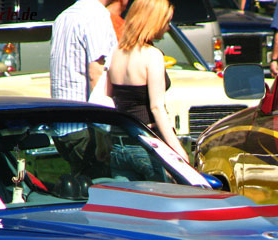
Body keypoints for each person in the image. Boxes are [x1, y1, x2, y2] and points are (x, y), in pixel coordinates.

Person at [106, 0, 188, 160]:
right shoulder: (152, 55)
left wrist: (103, 142)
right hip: (147, 143)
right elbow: (157, 108)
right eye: (166, 22)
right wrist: (177, 150)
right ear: (153, 21)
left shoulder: (115, 52)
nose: (168, 27)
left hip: (118, 144)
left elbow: (107, 98)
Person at [50, 0, 118, 102]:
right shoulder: (96, 15)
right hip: (83, 107)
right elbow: (96, 73)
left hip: (59, 105)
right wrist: (103, 108)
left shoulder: (62, 17)